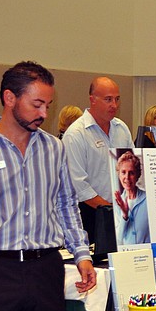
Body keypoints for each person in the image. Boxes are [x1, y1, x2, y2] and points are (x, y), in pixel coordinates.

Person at [0, 61, 96, 311]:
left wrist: (81, 255)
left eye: (48, 106)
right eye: (36, 104)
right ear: (9, 98)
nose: (43, 113)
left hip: (46, 270)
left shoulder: (54, 148)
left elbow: (66, 205)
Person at [62, 76, 133, 246]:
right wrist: (110, 210)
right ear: (92, 100)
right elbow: (79, 186)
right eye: (108, 99)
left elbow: (133, 168)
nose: (114, 105)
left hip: (121, 214)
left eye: (117, 99)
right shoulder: (76, 134)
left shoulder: (121, 128)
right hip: (90, 215)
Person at [113, 150, 150, 245]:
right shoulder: (117, 202)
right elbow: (119, 238)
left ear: (137, 175)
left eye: (131, 173)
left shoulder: (148, 199)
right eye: (123, 172)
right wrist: (125, 215)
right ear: (119, 174)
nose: (127, 177)